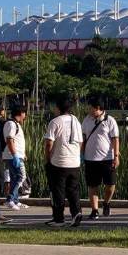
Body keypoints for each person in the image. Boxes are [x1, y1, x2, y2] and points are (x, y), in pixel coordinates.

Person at [44, 97, 84, 227]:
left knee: (58, 191)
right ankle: (76, 213)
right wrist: (76, 155)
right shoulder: (76, 121)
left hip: (59, 162)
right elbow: (81, 142)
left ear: (58, 108)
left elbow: (49, 143)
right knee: (73, 190)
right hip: (74, 161)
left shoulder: (55, 122)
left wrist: (48, 158)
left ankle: (59, 218)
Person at [82, 96, 121, 221]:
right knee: (92, 185)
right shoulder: (86, 120)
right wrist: (80, 154)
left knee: (110, 184)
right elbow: (83, 138)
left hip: (107, 158)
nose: (88, 109)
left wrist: (116, 156)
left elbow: (115, 139)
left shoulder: (110, 120)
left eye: (90, 107)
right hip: (90, 158)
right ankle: (94, 210)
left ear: (98, 108)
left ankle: (106, 203)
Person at [2, 105, 29, 210]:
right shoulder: (11, 124)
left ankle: (15, 200)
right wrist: (15, 155)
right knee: (21, 176)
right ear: (21, 113)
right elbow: (9, 140)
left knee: (15, 178)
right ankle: (10, 199)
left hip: (17, 155)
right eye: (25, 113)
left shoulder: (16, 124)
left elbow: (16, 141)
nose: (25, 116)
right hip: (12, 155)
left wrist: (23, 154)